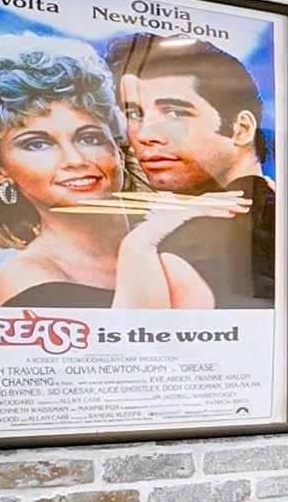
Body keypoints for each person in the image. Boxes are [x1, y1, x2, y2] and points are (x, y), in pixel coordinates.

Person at [0, 47, 241, 310]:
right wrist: (140, 245)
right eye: (37, 144)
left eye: (89, 137)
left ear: (117, 147)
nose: (76, 160)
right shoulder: (24, 275)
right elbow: (124, 359)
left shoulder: (186, 233)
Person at [107, 33, 275, 308]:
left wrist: (137, 247)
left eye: (175, 113)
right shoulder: (272, 213)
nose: (145, 134)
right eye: (134, 114)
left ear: (241, 129)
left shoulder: (182, 248)